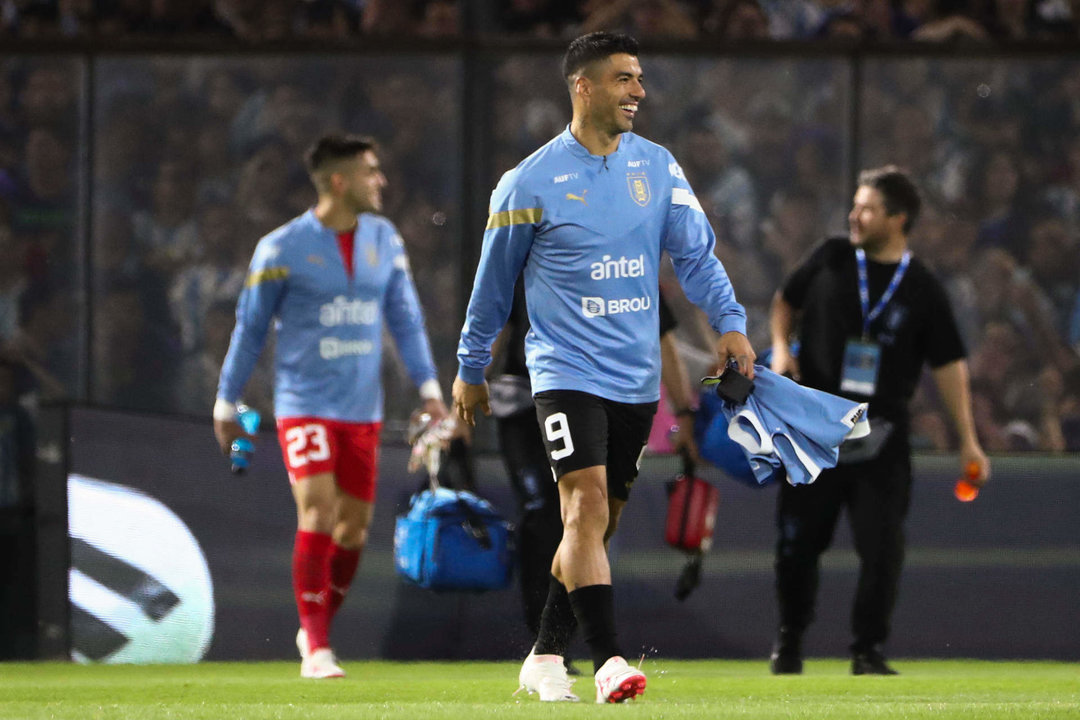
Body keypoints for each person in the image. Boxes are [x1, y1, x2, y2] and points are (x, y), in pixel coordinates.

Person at [453, 31, 754, 703]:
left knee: (597, 524)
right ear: (582, 85)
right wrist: (470, 366)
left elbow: (697, 258)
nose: (639, 92)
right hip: (562, 373)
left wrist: (730, 324)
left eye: (640, 78)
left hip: (635, 379)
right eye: (624, 79)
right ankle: (611, 660)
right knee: (584, 505)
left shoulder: (659, 168)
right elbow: (493, 289)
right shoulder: (527, 182)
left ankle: (543, 656)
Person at [213, 133, 447, 679]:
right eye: (371, 171)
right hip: (304, 402)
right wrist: (227, 402)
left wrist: (431, 389)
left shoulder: (385, 240)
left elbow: (406, 321)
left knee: (353, 532)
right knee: (316, 509)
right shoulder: (280, 248)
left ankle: (314, 624)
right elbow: (249, 331)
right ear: (340, 182)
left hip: (362, 409)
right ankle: (317, 646)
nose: (381, 181)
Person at [767, 165, 990, 676]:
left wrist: (969, 441)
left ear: (898, 218)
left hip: (881, 437)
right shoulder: (832, 257)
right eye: (855, 205)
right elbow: (786, 301)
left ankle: (868, 649)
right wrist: (781, 348)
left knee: (883, 548)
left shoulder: (922, 287)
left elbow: (949, 365)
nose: (854, 215)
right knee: (796, 542)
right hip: (813, 433)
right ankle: (789, 641)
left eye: (867, 208)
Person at [489, 282, 698, 669]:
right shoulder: (527, 249)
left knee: (597, 519)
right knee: (549, 516)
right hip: (531, 396)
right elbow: (494, 324)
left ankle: (546, 648)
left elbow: (662, 337)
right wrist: (466, 382)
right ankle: (594, 656)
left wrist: (684, 410)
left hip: (608, 397)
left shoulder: (631, 254)